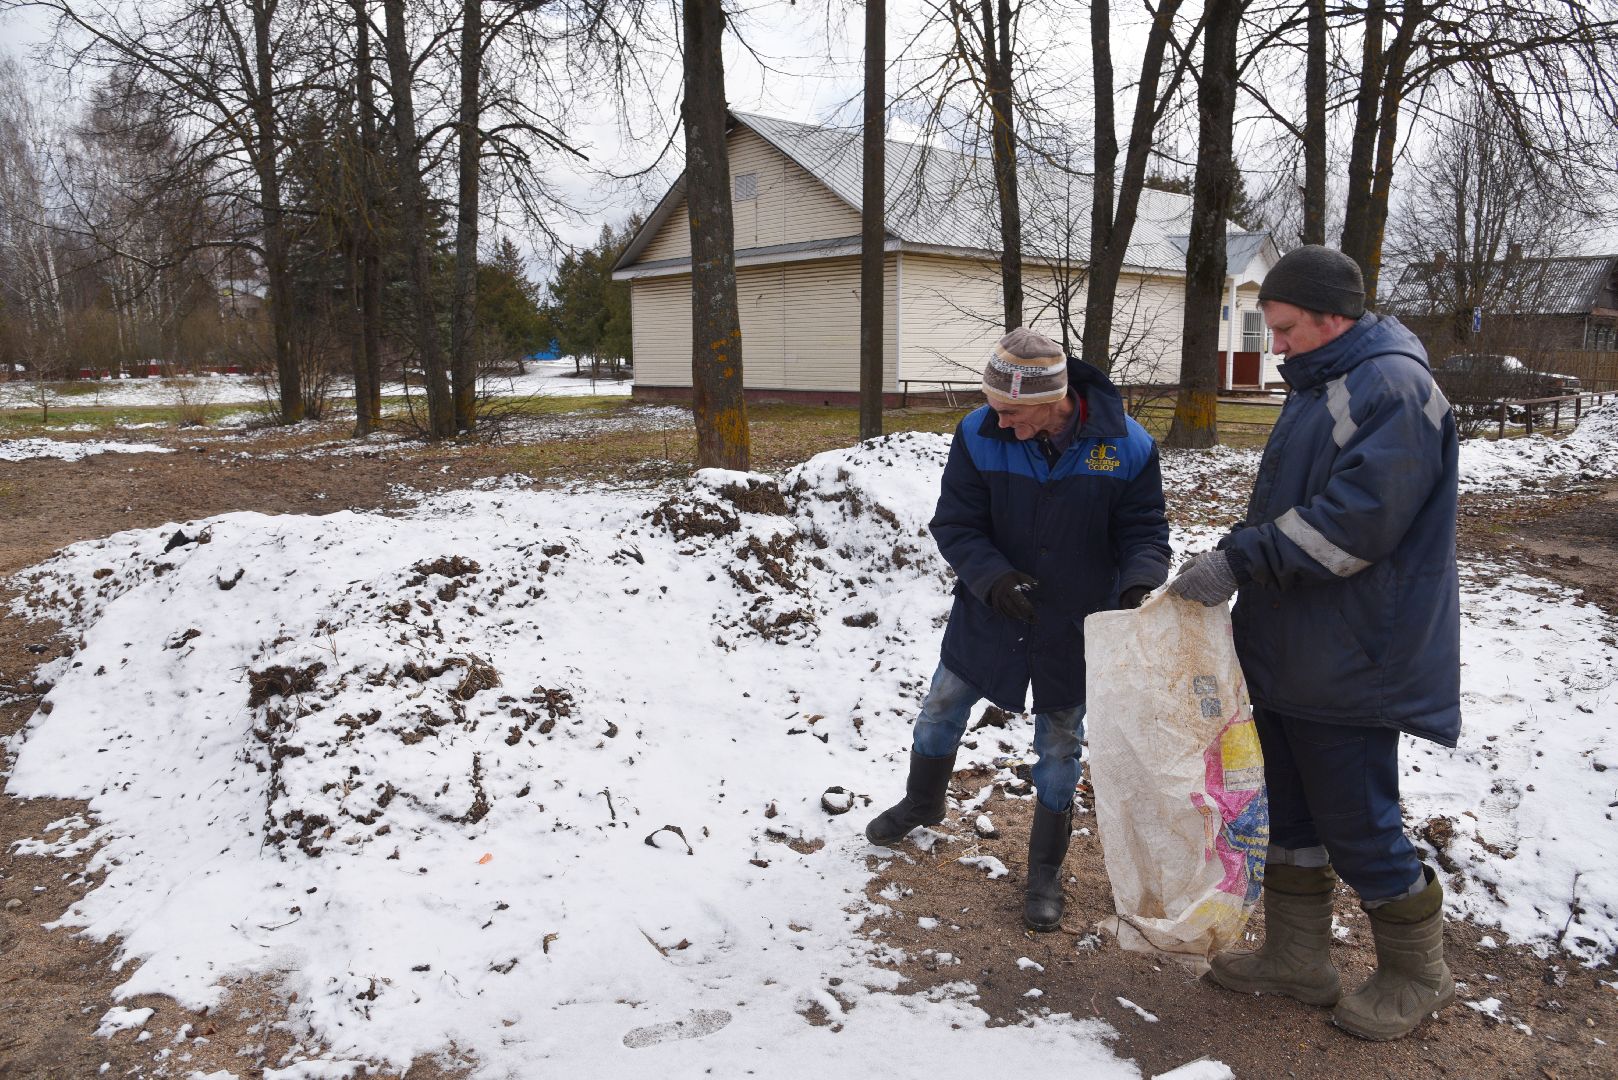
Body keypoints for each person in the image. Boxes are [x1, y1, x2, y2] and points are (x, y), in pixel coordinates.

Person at [1168, 245, 1460, 1041]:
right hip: (1299, 650)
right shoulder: (1325, 383)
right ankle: (1298, 959)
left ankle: (1418, 972)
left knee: (1357, 820)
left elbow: (1357, 522)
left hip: (1355, 657)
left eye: (1287, 327)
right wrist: (1241, 555)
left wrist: (1242, 557)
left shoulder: (1393, 389)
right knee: (1293, 813)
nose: (1278, 343)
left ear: (1333, 318)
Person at [865, 327, 1171, 933]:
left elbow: (1144, 529)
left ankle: (1044, 868)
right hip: (992, 608)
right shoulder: (979, 434)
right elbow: (956, 523)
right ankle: (924, 800)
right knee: (941, 707)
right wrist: (994, 578)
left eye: (1011, 411)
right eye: (995, 408)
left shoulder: (1126, 446)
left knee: (1060, 740)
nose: (1000, 422)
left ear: (1052, 400)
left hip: (1076, 621)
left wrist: (1138, 582)